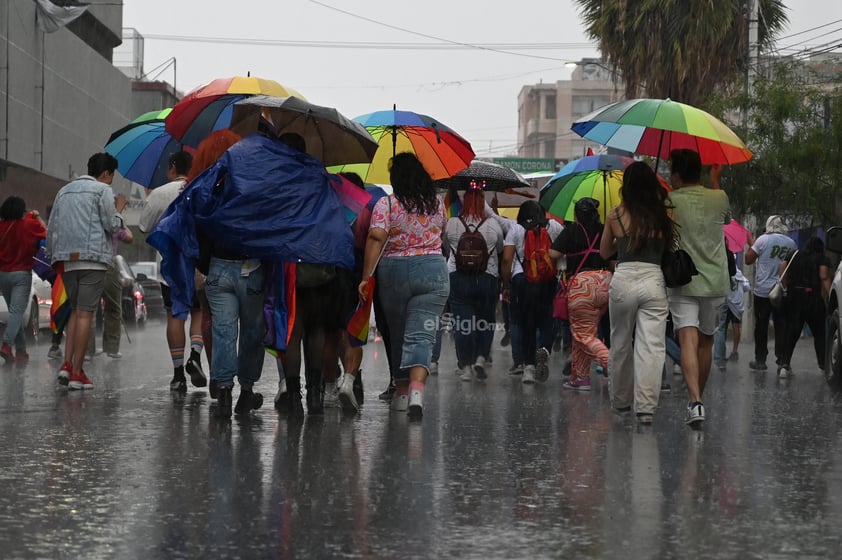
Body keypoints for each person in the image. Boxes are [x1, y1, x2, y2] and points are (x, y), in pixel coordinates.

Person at [358, 152, 449, 418]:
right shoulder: (437, 204)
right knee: (422, 335)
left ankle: (400, 391)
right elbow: (440, 235)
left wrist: (366, 277)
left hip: (395, 271)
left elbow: (376, 237)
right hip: (433, 269)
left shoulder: (387, 204)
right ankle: (417, 391)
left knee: (398, 333)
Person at [599, 162, 673, 423]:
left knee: (620, 343)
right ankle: (645, 409)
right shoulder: (664, 215)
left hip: (624, 279)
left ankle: (620, 403)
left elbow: (604, 252)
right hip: (654, 279)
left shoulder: (615, 214)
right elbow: (669, 250)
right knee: (652, 346)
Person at [47, 153, 127, 390]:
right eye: (111, 176)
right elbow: (112, 224)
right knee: (85, 314)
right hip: (92, 260)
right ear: (106, 174)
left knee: (74, 313)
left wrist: (53, 256)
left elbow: (52, 228)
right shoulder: (102, 191)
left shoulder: (64, 191)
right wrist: (119, 210)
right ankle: (77, 373)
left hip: (66, 260)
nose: (111, 181)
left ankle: (67, 365)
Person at [666, 149, 731, 427]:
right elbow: (726, 220)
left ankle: (695, 402)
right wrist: (715, 181)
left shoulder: (670, 201)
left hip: (683, 280)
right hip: (715, 281)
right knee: (705, 341)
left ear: (678, 174)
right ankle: (697, 400)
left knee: (687, 340)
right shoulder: (720, 197)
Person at [140, 150, 208, 393]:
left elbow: (143, 226)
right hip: (197, 265)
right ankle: (196, 357)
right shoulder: (201, 188)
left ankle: (178, 374)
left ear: (172, 167)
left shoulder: (159, 194)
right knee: (198, 314)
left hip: (169, 267)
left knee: (174, 316)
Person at [444, 187, 504, 382]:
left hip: (458, 278)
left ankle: (466, 367)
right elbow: (501, 248)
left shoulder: (452, 223)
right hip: (487, 277)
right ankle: (480, 358)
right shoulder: (493, 224)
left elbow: (445, 247)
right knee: (485, 321)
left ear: (464, 202)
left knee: (463, 324)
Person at [551, 197, 611, 392]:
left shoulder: (572, 230)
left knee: (583, 334)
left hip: (582, 285)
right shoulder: (603, 230)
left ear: (576, 214)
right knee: (582, 332)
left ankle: (614, 365)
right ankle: (581, 377)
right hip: (605, 282)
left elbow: (552, 254)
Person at [501, 200, 562, 384]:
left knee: (526, 322)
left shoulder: (516, 229)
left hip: (522, 280)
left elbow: (506, 259)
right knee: (546, 320)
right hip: (548, 280)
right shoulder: (554, 227)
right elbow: (562, 251)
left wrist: (505, 285)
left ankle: (528, 367)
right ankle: (544, 349)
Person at [744, 215, 797, 371]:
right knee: (782, 326)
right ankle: (782, 360)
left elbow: (748, 259)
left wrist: (751, 244)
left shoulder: (762, 240)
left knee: (761, 326)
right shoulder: (791, 243)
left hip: (762, 292)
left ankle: (760, 360)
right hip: (781, 292)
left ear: (768, 225)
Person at [0, 196, 47, 364]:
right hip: (21, 274)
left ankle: (20, 351)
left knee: (15, 312)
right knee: (17, 312)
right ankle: (6, 344)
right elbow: (47, 234)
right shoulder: (29, 224)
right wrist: (37, 217)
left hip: (2, 275)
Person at [777, 236, 831, 378]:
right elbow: (824, 276)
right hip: (813, 298)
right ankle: (823, 365)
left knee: (792, 332)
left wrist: (785, 285)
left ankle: (784, 365)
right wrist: (831, 297)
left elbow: (782, 268)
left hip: (794, 297)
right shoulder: (821, 258)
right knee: (819, 334)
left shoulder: (794, 254)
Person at [87, 226, 133, 359]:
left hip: (90, 263)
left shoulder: (89, 217)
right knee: (113, 308)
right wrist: (125, 226)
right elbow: (129, 238)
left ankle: (87, 350)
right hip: (108, 264)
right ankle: (111, 348)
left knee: (89, 310)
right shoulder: (112, 220)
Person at [713, 266, 750, 370]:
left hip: (726, 302)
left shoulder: (723, 272)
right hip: (737, 304)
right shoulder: (739, 274)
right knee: (736, 326)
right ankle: (735, 351)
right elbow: (747, 287)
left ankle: (721, 353)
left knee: (721, 328)